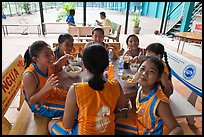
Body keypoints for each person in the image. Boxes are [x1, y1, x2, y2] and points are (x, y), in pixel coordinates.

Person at [48, 44, 127, 135]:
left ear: (84, 66)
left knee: (51, 124)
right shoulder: (116, 85)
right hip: (108, 132)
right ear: (106, 65)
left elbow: (67, 125)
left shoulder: (75, 89)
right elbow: (121, 105)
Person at [115, 56, 184, 135]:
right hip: (140, 124)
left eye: (151, 71)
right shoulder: (141, 87)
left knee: (113, 127)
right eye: (142, 69)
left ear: (159, 77)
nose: (144, 74)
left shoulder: (159, 102)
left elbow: (177, 128)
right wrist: (126, 112)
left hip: (149, 132)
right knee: (113, 120)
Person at [22, 40, 73, 118]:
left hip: (51, 93)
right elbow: (31, 100)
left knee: (75, 98)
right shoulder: (29, 75)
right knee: (73, 109)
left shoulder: (47, 64)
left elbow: (55, 68)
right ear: (35, 59)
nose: (52, 57)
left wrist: (64, 59)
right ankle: (56, 126)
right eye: (47, 55)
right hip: (40, 105)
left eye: (51, 54)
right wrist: (45, 88)